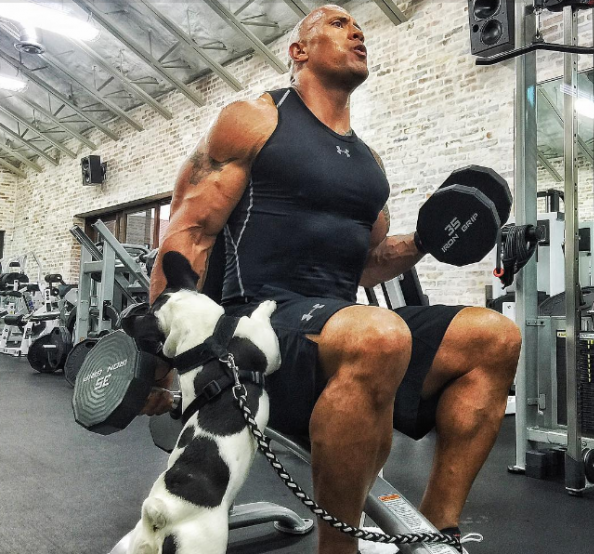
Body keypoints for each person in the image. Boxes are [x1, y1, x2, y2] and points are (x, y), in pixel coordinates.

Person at [147, 5, 521, 554]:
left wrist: (424, 241)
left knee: (494, 336)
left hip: (339, 326)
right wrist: (162, 359)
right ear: (298, 51)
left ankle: (436, 531)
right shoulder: (255, 119)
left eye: (359, 26)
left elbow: (367, 262)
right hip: (259, 325)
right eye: (338, 24)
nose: (356, 31)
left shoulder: (369, 163)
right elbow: (190, 231)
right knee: (378, 332)